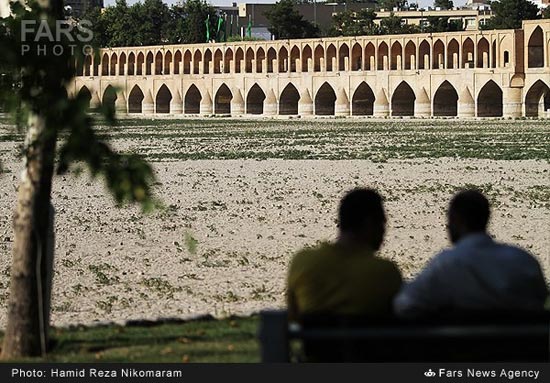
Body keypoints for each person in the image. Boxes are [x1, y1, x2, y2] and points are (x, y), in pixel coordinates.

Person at [394, 189, 549, 318]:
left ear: (457, 220)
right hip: (521, 351)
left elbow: (406, 304)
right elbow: (540, 298)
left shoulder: (446, 264)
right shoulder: (524, 261)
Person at [287, 188, 402, 321]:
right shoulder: (386, 273)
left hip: (316, 342)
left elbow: (293, 317)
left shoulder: (303, 262)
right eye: (382, 224)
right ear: (369, 223)